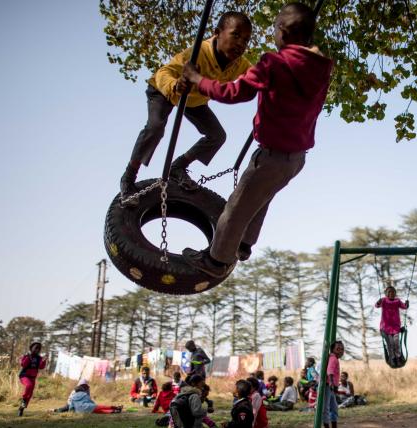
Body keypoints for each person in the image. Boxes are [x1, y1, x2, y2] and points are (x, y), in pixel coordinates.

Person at [181, 2, 333, 278]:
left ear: (283, 32)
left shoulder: (272, 63)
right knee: (263, 197)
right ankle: (244, 244)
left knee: (236, 208)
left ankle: (216, 260)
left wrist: (198, 79)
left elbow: (235, 92)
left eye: (274, 28)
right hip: (297, 159)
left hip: (271, 155)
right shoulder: (321, 68)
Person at [119, 11, 253, 199]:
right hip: (164, 90)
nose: (240, 44)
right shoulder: (199, 52)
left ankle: (179, 166)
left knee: (217, 135)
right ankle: (129, 176)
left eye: (246, 40)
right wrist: (176, 85)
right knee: (156, 127)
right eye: (236, 35)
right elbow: (165, 72)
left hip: (194, 99)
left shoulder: (240, 64)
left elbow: (258, 76)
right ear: (217, 32)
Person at [375, 286, 409, 366]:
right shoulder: (383, 300)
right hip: (386, 327)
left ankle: (398, 357)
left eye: (393, 292)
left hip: (395, 327)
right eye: (389, 292)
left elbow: (404, 307)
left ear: (395, 293)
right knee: (390, 343)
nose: (391, 293)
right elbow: (377, 306)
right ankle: (392, 358)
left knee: (396, 343)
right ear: (386, 294)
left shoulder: (397, 301)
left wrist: (407, 304)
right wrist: (378, 302)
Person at [52, 379, 123, 414]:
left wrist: (73, 410)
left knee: (99, 411)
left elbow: (71, 403)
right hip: (83, 405)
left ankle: (115, 411)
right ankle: (116, 408)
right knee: (100, 408)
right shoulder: (84, 392)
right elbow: (88, 399)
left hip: (78, 409)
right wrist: (93, 404)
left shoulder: (76, 391)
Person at [18, 342, 47, 416]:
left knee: (30, 394)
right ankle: (23, 400)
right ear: (31, 348)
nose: (37, 350)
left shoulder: (39, 358)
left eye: (38, 349)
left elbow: (41, 367)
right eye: (35, 348)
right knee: (29, 385)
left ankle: (21, 408)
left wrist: (44, 360)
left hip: (32, 377)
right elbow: (23, 364)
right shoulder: (26, 356)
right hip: (24, 375)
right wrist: (28, 357)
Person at [322, 341, 344, 428]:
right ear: (332, 350)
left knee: (334, 407)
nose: (340, 351)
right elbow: (330, 371)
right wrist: (331, 383)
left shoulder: (334, 358)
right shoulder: (333, 358)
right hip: (328, 386)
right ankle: (327, 425)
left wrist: (335, 385)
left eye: (342, 349)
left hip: (331, 387)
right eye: (338, 349)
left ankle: (334, 425)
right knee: (326, 408)